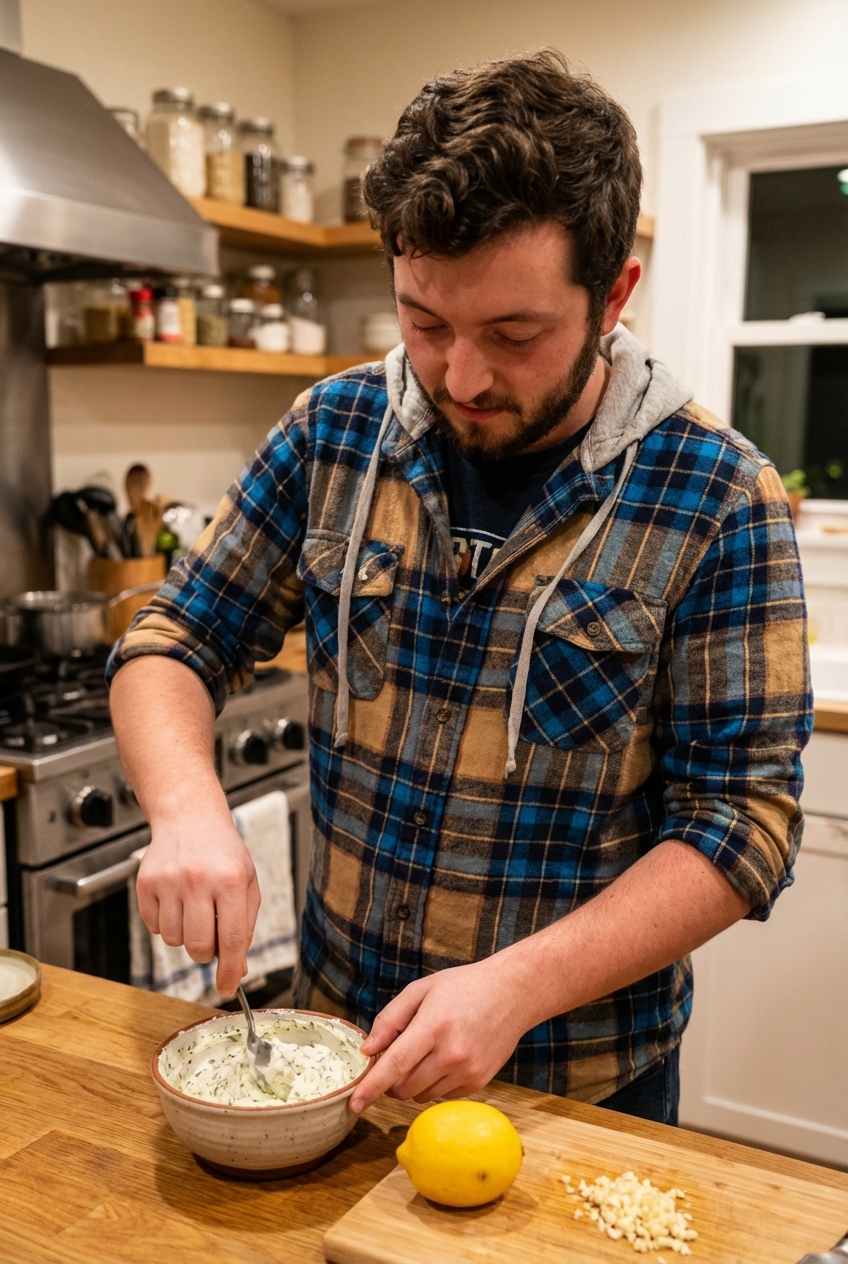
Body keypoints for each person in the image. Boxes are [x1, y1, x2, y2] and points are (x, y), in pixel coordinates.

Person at [108, 50, 812, 1126]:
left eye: (512, 334)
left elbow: (739, 823)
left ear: (613, 293)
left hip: (574, 1087)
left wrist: (513, 990)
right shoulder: (332, 431)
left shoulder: (717, 495)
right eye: (424, 323)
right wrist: (189, 806)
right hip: (331, 1054)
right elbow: (176, 636)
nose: (462, 378)